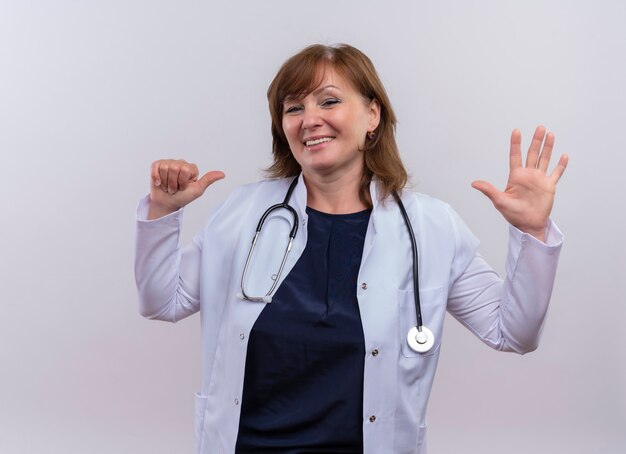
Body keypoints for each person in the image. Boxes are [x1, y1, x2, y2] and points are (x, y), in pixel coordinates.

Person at [134, 43, 568, 454]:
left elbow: (514, 333)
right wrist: (162, 210)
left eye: (328, 101)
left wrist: (532, 232)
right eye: (293, 108)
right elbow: (161, 301)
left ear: (372, 115)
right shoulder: (243, 213)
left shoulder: (430, 227)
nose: (309, 119)